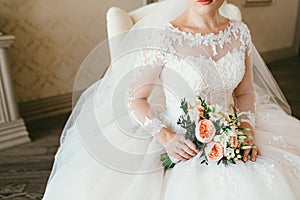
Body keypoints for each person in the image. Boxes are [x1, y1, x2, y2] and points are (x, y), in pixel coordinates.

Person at [43, 0, 300, 199]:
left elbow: (244, 93)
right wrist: (166, 137)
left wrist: (245, 130)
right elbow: (135, 98)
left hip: (232, 130)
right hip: (180, 138)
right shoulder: (164, 37)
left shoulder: (240, 33)